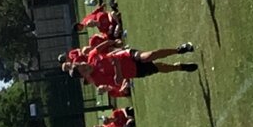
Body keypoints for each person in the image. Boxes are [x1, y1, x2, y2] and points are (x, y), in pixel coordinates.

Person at [68, 43, 200, 98]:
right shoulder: (98, 81)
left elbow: (102, 45)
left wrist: (114, 43)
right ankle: (180, 67)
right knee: (159, 67)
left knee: (148, 56)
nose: (86, 66)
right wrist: (117, 68)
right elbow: (118, 82)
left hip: (126, 55)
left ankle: (179, 49)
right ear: (84, 76)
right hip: (133, 71)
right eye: (84, 69)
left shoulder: (92, 56)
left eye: (83, 64)